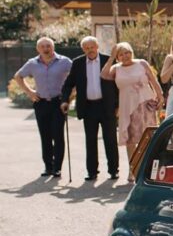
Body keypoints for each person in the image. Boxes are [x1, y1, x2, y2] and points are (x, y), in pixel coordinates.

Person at [60, 36, 119, 180]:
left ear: (97, 46)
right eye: (86, 48)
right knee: (90, 140)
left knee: (110, 139)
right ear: (83, 49)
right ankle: (92, 171)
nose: (90, 50)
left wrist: (118, 105)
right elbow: (68, 84)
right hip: (88, 107)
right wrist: (64, 101)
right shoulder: (78, 63)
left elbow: (118, 84)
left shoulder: (108, 60)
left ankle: (113, 170)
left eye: (92, 47)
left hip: (107, 106)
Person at [102, 42, 164, 179]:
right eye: (121, 54)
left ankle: (148, 169)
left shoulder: (141, 63)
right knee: (130, 139)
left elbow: (153, 81)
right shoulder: (116, 68)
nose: (125, 56)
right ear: (117, 57)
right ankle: (133, 169)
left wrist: (160, 96)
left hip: (145, 103)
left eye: (127, 52)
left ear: (132, 52)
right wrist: (111, 57)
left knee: (147, 137)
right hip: (127, 106)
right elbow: (104, 75)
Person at [15, 37, 72, 177]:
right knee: (45, 136)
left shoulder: (64, 62)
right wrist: (30, 92)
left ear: (53, 47)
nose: (46, 49)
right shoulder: (32, 63)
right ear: (38, 49)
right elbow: (18, 76)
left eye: (48, 46)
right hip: (40, 103)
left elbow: (76, 77)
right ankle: (48, 167)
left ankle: (57, 168)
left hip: (58, 102)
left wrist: (70, 95)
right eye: (43, 46)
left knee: (58, 136)